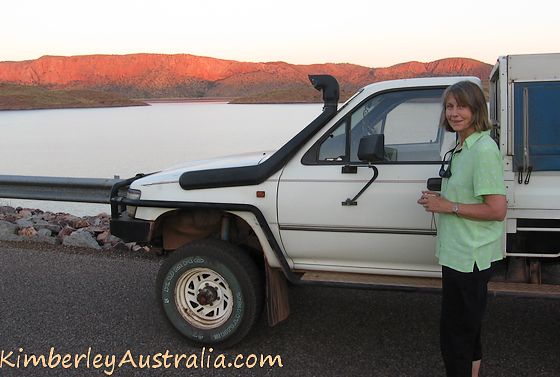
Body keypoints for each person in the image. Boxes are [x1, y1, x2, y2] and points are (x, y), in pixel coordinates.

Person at [417, 81, 507, 377]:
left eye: (462, 106)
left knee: (455, 336)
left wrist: (449, 206)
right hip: (457, 254)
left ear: (477, 109)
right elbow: (464, 196)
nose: (454, 113)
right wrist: (439, 201)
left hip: (471, 257)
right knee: (469, 330)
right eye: (450, 106)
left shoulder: (483, 149)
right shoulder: (461, 146)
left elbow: (496, 210)